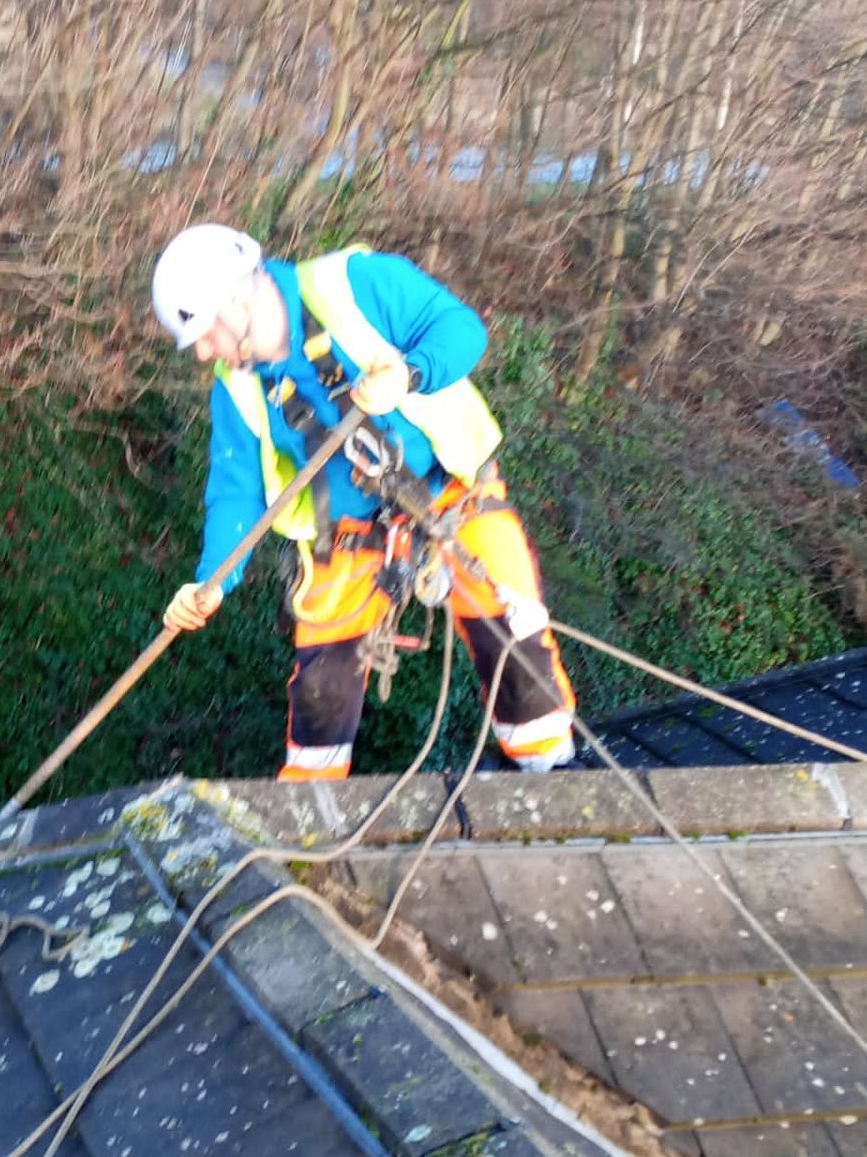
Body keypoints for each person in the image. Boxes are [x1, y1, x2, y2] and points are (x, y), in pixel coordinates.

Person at [151, 223, 577, 779]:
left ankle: (552, 778)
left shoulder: (358, 284)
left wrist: (408, 373)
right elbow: (237, 493)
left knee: (516, 645)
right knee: (321, 688)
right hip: (352, 534)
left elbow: (461, 329)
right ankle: (312, 812)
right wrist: (210, 583)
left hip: (450, 497)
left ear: (236, 300)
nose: (205, 351)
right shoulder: (236, 387)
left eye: (207, 334)